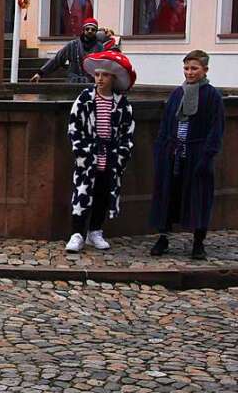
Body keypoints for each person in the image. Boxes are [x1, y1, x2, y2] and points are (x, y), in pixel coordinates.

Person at [149, 50, 226, 260]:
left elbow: (216, 129)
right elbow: (166, 123)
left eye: (194, 68)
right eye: (186, 68)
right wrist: (161, 149)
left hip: (197, 154)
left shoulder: (212, 96)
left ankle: (198, 242)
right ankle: (163, 237)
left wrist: (207, 155)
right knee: (168, 196)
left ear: (205, 70)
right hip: (173, 154)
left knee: (198, 197)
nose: (189, 73)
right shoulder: (177, 94)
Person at [64, 51, 136, 253]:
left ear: (113, 78)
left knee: (103, 194)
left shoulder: (122, 104)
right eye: (97, 75)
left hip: (110, 156)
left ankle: (95, 230)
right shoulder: (85, 99)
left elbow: (127, 132)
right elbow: (73, 127)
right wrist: (81, 151)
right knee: (82, 193)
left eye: (105, 75)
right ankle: (77, 233)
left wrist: (121, 153)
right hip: (88, 156)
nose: (100, 79)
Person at [32, 17, 102, 83]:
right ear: (83, 30)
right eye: (87, 29)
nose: (90, 31)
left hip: (92, 84)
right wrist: (40, 73)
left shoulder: (100, 48)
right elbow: (56, 60)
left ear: (96, 32)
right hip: (73, 84)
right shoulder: (72, 45)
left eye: (93, 29)